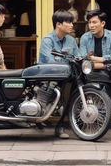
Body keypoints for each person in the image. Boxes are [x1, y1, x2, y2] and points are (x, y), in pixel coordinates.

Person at [39, 9, 80, 139]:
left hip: (66, 76)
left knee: (74, 89)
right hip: (49, 76)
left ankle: (62, 124)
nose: (72, 25)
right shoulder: (48, 40)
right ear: (58, 24)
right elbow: (50, 63)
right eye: (68, 22)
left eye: (72, 22)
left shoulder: (71, 40)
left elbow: (77, 57)